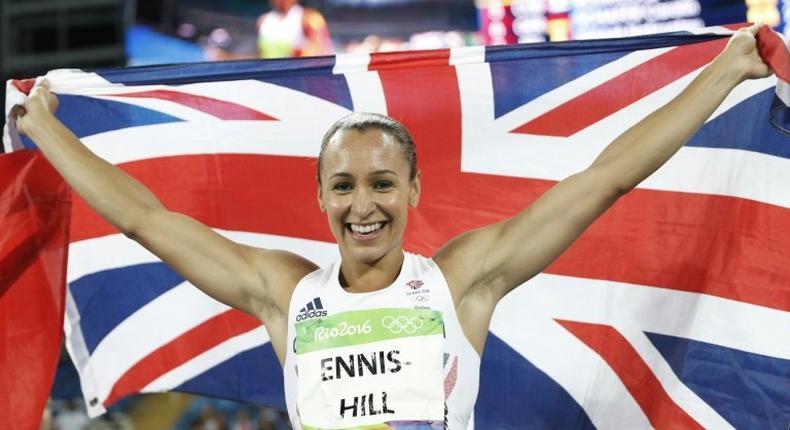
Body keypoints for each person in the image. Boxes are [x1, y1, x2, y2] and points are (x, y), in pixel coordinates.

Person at [12, 24, 772, 429]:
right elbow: (146, 219)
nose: (363, 204)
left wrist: (726, 70)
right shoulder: (285, 294)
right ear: (320, 197)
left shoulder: (461, 280)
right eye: (343, 186)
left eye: (381, 183)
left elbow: (603, 180)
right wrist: (42, 127)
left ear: (413, 189)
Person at [256, 0, 332, 58]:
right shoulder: (263, 20)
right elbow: (259, 53)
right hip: (269, 74)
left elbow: (319, 48)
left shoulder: (310, 17)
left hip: (298, 75)